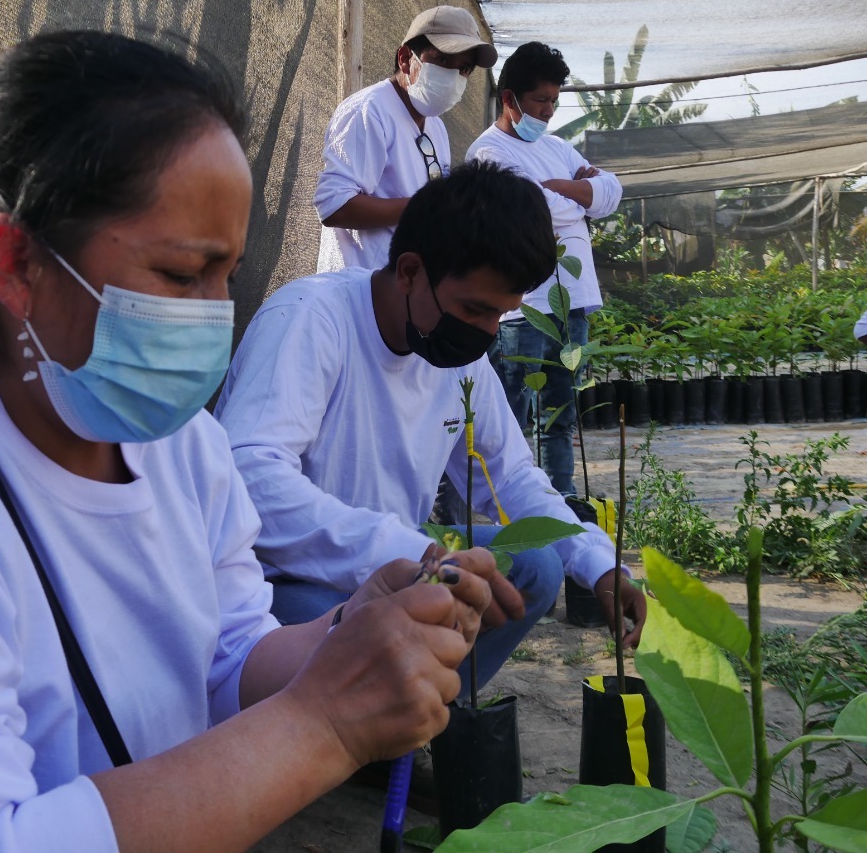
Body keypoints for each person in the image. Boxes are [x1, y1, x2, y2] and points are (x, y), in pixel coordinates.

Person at [0, 32, 508, 853]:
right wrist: (321, 724)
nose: (217, 315)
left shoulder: (180, 446)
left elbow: (226, 657)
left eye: (228, 275)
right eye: (182, 275)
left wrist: (345, 636)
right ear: (14, 264)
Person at [214, 162, 646, 701]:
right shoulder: (312, 320)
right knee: (360, 628)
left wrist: (598, 564)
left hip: (402, 559)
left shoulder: (457, 355)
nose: (486, 334)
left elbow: (509, 476)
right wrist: (408, 549)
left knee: (532, 566)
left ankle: (425, 719)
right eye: (475, 309)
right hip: (290, 580)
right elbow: (251, 479)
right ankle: (348, 732)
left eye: (501, 315)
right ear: (410, 271)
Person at [466, 41, 623, 497]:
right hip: (523, 307)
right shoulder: (487, 153)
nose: (549, 111)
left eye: (554, 101)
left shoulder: (557, 147)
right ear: (509, 98)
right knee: (512, 411)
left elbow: (612, 193)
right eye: (540, 101)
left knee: (561, 411)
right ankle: (509, 505)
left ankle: (563, 500)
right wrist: (580, 192)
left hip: (574, 299)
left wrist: (565, 189)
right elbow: (531, 209)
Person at [313, 5, 496, 273]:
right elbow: (334, 207)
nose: (454, 77)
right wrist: (427, 206)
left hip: (406, 291)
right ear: (405, 58)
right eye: (444, 60)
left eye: (464, 68)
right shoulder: (369, 111)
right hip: (360, 289)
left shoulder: (436, 126)